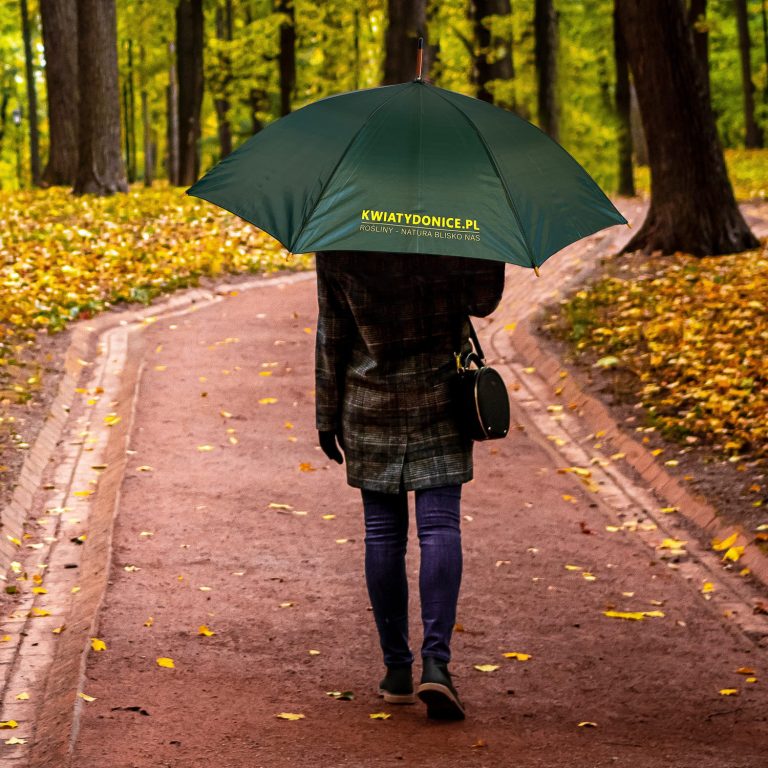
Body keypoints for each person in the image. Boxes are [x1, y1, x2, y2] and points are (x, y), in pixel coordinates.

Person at [314, 249, 505, 720]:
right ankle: (436, 665)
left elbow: (331, 332)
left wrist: (325, 413)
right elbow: (484, 301)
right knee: (439, 528)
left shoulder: (340, 230)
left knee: (382, 534)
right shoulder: (455, 224)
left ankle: (397, 670)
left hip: (368, 399)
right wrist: (486, 246)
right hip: (441, 396)